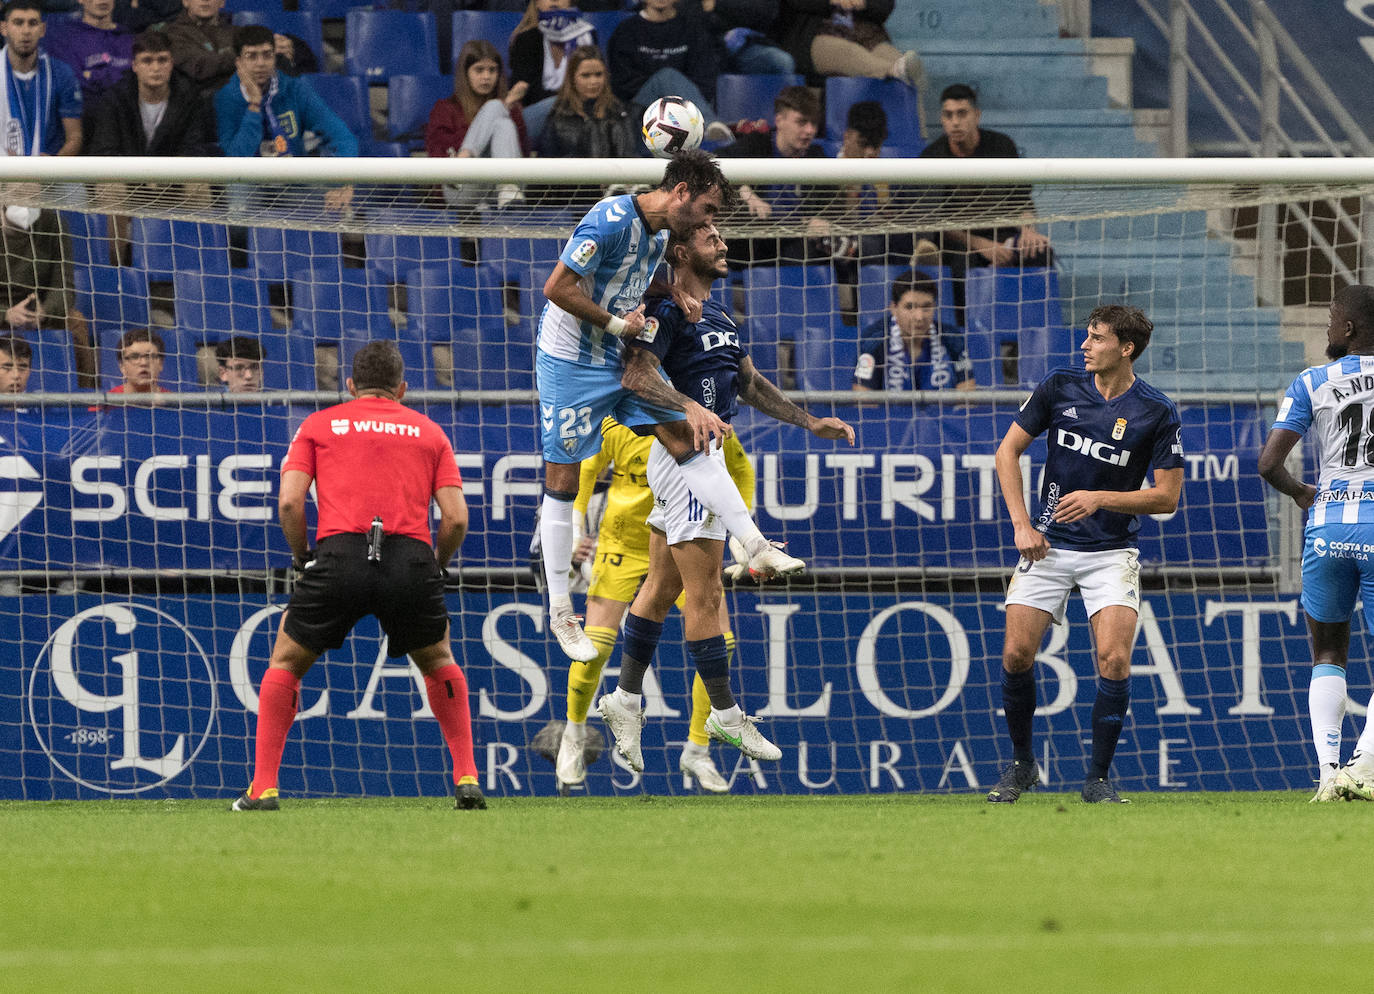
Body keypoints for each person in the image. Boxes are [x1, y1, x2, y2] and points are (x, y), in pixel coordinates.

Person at [596, 221, 854, 772]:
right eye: (713, 238)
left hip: (696, 455)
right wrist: (687, 405)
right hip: (688, 454)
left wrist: (809, 422)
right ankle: (725, 713)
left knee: (662, 587)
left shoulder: (718, 313)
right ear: (683, 251)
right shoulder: (665, 311)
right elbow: (636, 376)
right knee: (706, 592)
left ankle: (624, 698)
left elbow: (751, 383)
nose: (726, 245)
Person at [536, 148, 806, 663]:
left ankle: (753, 543)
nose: (710, 221)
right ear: (681, 192)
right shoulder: (609, 219)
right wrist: (619, 325)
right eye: (707, 209)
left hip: (616, 356)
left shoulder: (661, 235)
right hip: (570, 361)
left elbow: (630, 276)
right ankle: (560, 614)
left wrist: (671, 289)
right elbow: (557, 288)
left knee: (687, 438)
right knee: (563, 483)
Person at [232, 340, 485, 812]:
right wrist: (437, 565)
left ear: (349, 385)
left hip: (340, 554)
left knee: (286, 661)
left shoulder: (318, 424)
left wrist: (303, 556)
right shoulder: (430, 432)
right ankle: (467, 776)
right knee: (438, 659)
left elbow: (289, 502)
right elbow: (456, 519)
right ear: (402, 388)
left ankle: (263, 788)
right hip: (410, 557)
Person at [990, 304, 1183, 804]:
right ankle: (1021, 765)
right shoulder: (1060, 386)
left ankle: (1097, 778)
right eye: (1087, 336)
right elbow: (1006, 452)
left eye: (1096, 338)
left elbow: (1167, 498)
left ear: (1126, 349)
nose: (1085, 346)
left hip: (1112, 551)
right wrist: (1021, 526)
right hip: (1047, 545)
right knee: (1016, 654)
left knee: (1114, 660)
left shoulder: (1156, 411)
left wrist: (1102, 498)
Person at [544, 415, 756, 793]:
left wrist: (741, 533)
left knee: (722, 640)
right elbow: (585, 471)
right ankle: (574, 736)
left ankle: (697, 749)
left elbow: (741, 470)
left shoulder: (703, 419)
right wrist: (576, 530)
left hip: (683, 536)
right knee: (594, 644)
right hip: (623, 540)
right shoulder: (617, 420)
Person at [1258, 284, 1374, 802]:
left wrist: (1305, 493)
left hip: (1327, 528)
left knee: (1328, 650)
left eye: (1331, 317)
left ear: (1349, 329)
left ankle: (1329, 772)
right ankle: (1362, 768)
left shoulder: (1311, 380)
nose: (1328, 326)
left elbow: (1267, 464)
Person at [0, 0, 93, 387]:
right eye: (17, 22)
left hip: (49, 175)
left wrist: (45, 169)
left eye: (32, 23)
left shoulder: (62, 73)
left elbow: (75, 138)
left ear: (43, 29)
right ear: (4, 28)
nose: (25, 30)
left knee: (77, 203)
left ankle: (92, 399)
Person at [918, 83, 1052, 324]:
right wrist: (982, 245)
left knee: (1039, 251)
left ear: (976, 115)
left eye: (962, 113)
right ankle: (970, 338)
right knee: (961, 262)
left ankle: (1033, 334)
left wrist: (1028, 229)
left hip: (1004, 236)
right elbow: (936, 222)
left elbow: (1023, 200)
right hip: (960, 242)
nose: (955, 122)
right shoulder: (931, 157)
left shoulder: (1002, 146)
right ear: (942, 119)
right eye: (949, 115)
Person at [86, 30, 216, 266]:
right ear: (135, 65)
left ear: (171, 63)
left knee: (199, 186)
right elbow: (104, 151)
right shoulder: (115, 99)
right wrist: (144, 174)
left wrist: (163, 175)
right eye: (147, 61)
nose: (155, 68)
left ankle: (197, 271)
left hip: (172, 184)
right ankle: (114, 274)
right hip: (129, 184)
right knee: (110, 187)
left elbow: (195, 149)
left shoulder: (189, 98)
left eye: (162, 60)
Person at [215, 25, 356, 209]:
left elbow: (341, 135)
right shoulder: (226, 97)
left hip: (292, 181)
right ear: (239, 62)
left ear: (275, 57)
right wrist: (254, 105)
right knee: (239, 213)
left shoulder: (295, 89)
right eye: (252, 56)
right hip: (248, 181)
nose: (260, 63)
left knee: (339, 210)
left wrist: (344, 183)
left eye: (267, 55)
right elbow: (237, 158)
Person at [716, 85, 833, 267]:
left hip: (796, 242)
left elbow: (831, 202)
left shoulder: (817, 157)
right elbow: (716, 162)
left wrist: (820, 218)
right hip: (754, 241)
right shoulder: (756, 144)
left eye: (814, 124)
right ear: (780, 120)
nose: (810, 130)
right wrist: (745, 192)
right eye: (802, 122)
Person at [425, 39, 529, 212]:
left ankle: (507, 189)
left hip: (502, 186)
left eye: (492, 70)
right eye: (479, 70)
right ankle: (465, 160)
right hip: (460, 184)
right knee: (496, 107)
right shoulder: (445, 109)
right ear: (465, 74)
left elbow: (521, 152)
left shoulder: (513, 112)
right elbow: (438, 155)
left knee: (503, 124)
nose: (486, 76)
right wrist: (504, 104)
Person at [606, 0, 732, 141]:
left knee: (669, 78)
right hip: (641, 109)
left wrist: (674, 102)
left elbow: (705, 77)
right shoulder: (626, 31)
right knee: (666, 77)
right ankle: (708, 125)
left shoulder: (692, 29)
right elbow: (622, 82)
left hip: (684, 109)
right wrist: (664, 99)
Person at [852, 272, 974, 391]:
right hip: (889, 411)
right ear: (894, 308)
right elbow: (863, 398)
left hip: (943, 411)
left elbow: (967, 392)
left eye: (926, 307)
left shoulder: (952, 337)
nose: (919, 317)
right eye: (909, 307)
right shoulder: (873, 340)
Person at [536, 45, 634, 180]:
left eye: (598, 74)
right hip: (570, 193)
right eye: (585, 76)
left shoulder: (619, 112)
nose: (593, 81)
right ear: (572, 78)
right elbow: (545, 167)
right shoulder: (558, 115)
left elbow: (630, 157)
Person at [776, 0, 921, 88]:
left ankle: (919, 136)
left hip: (865, 34)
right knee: (850, 53)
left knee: (901, 64)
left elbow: (885, 5)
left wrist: (864, 2)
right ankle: (893, 70)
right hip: (816, 35)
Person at [507, 0, 594, 146]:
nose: (554, 0)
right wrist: (565, 99)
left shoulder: (587, 35)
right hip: (537, 113)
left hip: (580, 112)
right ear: (536, 4)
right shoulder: (526, 39)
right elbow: (526, 93)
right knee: (559, 103)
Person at [44, 0, 133, 112]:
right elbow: (73, 84)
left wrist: (93, 75)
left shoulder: (128, 38)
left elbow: (134, 81)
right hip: (85, 115)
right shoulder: (66, 37)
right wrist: (115, 74)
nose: (103, 1)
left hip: (125, 115)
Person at [164, 0, 235, 98]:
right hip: (196, 103)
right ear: (185, 2)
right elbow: (200, 66)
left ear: (222, 2)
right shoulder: (173, 34)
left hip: (236, 98)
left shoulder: (235, 32)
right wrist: (237, 58)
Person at [107, 325, 168, 396]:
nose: (144, 363)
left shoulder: (176, 404)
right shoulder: (106, 404)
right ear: (122, 367)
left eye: (150, 356)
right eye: (134, 357)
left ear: (161, 364)